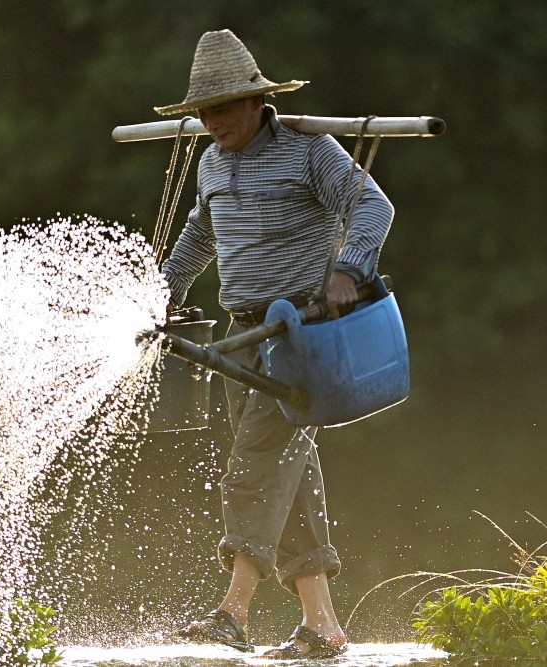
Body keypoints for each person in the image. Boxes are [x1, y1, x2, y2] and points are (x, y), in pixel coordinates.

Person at [156, 29, 393, 659]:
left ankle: (232, 613)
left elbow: (372, 208)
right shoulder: (209, 161)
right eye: (204, 111)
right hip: (241, 334)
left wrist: (350, 269)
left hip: (301, 332)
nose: (213, 121)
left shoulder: (309, 150)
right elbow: (198, 235)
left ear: (259, 103)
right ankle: (323, 627)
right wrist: (162, 291)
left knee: (255, 464)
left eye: (225, 108)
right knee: (288, 467)